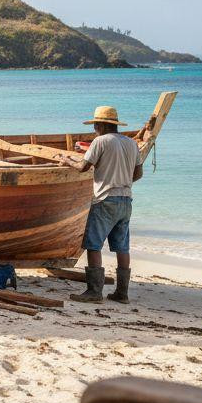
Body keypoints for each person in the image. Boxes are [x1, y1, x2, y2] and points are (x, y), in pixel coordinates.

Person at [55, 105, 143, 303]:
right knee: (122, 247)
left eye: (95, 124)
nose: (94, 128)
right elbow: (138, 173)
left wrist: (65, 159)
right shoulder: (131, 143)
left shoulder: (100, 142)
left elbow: (83, 167)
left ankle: (94, 292)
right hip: (126, 200)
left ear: (101, 125)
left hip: (105, 199)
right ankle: (122, 293)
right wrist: (122, 182)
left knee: (93, 245)